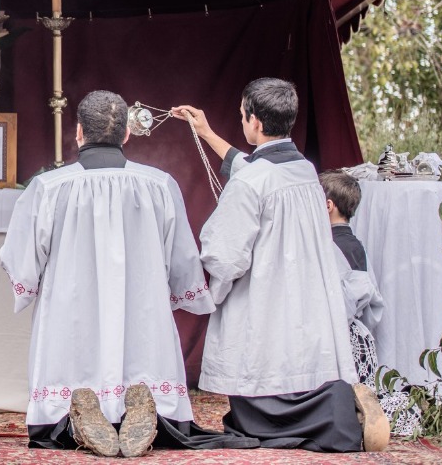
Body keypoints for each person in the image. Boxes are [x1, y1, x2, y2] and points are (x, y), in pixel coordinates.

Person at [1, 90, 250, 458]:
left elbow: (22, 256)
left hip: (70, 307)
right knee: (142, 347)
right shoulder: (159, 184)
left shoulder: (49, 188)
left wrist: (30, 285)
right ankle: (144, 409)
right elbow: (182, 256)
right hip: (140, 304)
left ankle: (75, 415)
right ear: (127, 135)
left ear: (79, 132)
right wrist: (184, 291)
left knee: (72, 351)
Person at [173, 79, 389, 452]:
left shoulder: (254, 182)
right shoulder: (305, 170)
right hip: (307, 297)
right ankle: (342, 415)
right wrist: (206, 133)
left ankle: (278, 428)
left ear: (254, 122)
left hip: (267, 296)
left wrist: (214, 285)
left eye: (242, 115)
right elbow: (253, 168)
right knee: (309, 365)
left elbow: (226, 256)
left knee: (262, 371)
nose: (241, 122)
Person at [320, 169, 419, 438]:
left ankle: (370, 413)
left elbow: (342, 303)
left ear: (328, 206)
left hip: (341, 340)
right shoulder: (356, 245)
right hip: (361, 340)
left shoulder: (328, 247)